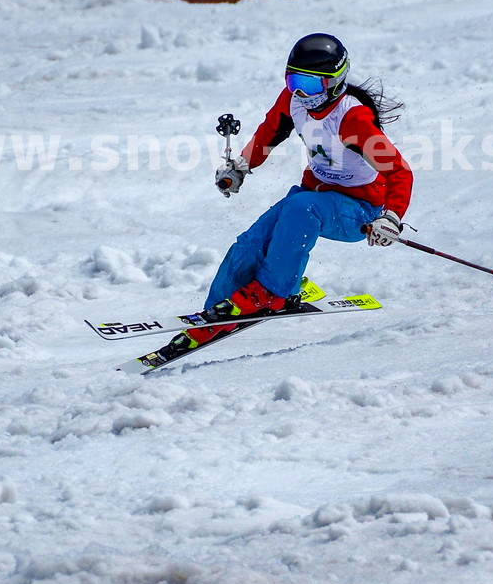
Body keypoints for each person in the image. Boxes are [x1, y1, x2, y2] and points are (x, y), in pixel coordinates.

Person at [157, 32, 413, 361]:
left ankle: (273, 292)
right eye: (294, 81)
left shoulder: (353, 119)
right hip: (312, 199)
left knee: (300, 208)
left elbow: (399, 172)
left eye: (310, 83)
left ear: (334, 82)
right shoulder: (293, 102)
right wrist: (241, 167)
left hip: (360, 213)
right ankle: (212, 317)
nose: (302, 93)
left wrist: (390, 217)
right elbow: (269, 132)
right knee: (250, 243)